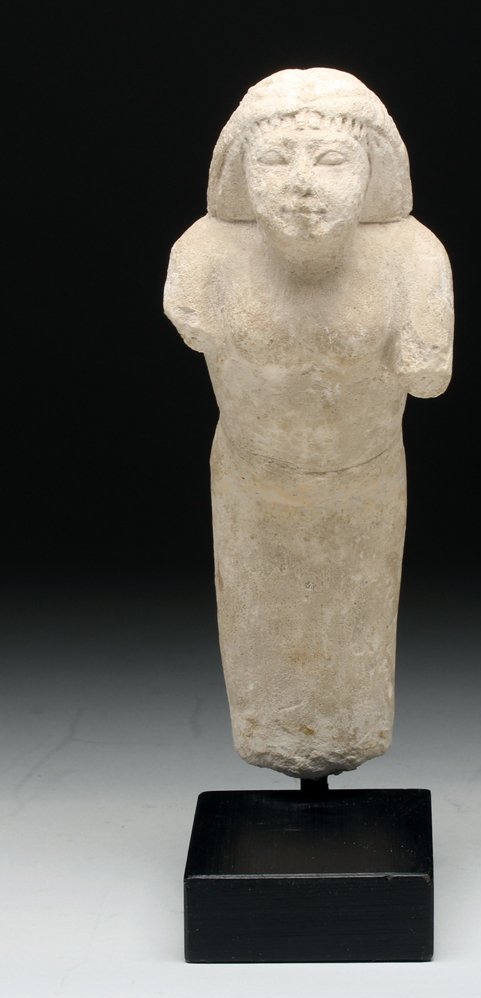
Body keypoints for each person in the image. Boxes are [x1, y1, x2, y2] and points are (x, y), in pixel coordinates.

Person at [164, 68, 453, 779]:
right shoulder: (205, 254)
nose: (301, 185)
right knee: (264, 659)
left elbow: (429, 375)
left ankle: (344, 737)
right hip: (251, 483)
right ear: (239, 171)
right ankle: (277, 738)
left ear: (373, 170)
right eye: (273, 159)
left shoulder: (412, 258)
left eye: (329, 160)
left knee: (355, 647)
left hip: (364, 484)